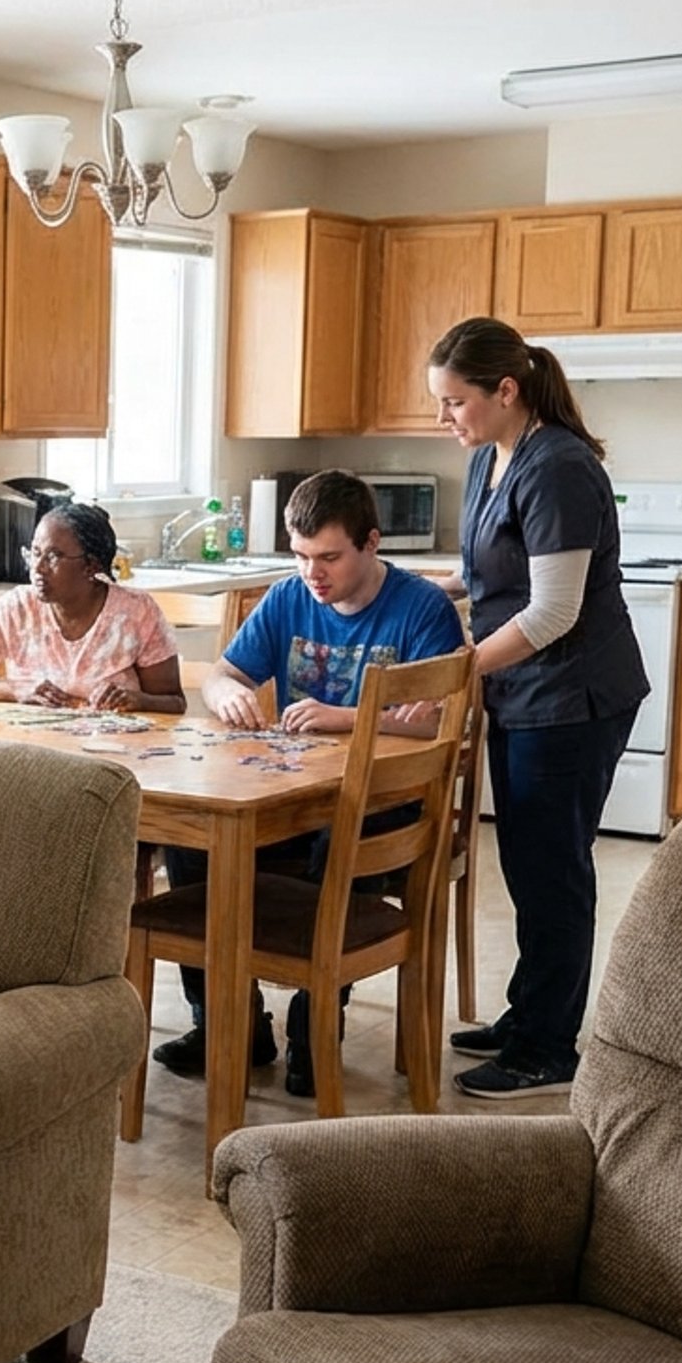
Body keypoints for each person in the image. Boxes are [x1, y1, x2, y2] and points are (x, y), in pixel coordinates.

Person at [152, 470, 466, 1097]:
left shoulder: (422, 608)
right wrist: (230, 695)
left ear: (371, 544)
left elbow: (436, 720)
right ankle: (227, 1021)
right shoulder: (288, 598)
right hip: (291, 795)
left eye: (329, 557)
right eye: (299, 556)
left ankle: (314, 1021)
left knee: (339, 843)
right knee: (193, 838)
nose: (312, 574)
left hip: (387, 806)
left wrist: (342, 716)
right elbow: (223, 674)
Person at [425, 317, 646, 1099]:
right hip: (524, 696)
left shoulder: (555, 467)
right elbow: (489, 575)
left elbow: (552, 611)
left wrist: (457, 670)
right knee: (526, 862)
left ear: (505, 391)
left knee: (552, 870)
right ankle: (528, 1015)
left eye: (454, 403)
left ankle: (549, 1047)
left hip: (572, 699)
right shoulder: (495, 455)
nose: (445, 419)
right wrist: (410, 587)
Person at [0, 499, 184, 711]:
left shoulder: (136, 612)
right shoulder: (17, 608)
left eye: (53, 556)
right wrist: (14, 691)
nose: (38, 568)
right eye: (35, 553)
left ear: (91, 566)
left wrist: (138, 700)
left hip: (113, 750)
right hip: (33, 750)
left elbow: (174, 702)